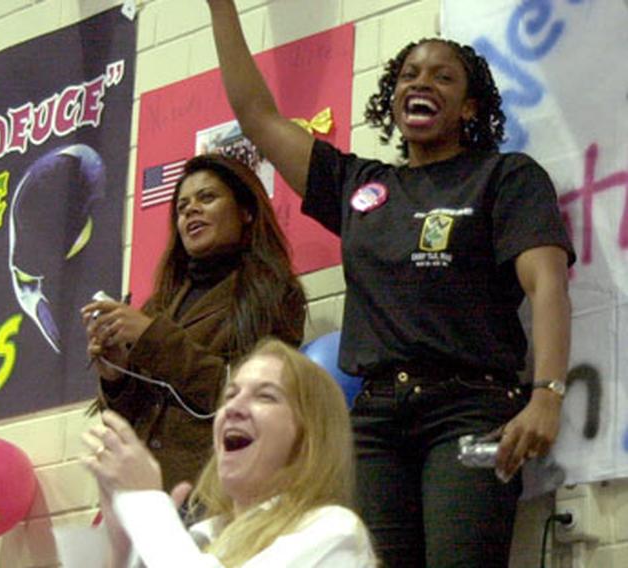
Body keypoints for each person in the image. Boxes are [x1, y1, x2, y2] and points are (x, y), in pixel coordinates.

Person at [205, 2, 575, 566]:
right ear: (392, 96)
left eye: (442, 76)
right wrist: (220, 7)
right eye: (409, 75)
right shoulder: (359, 185)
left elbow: (547, 281)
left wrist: (548, 393)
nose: (421, 83)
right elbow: (257, 118)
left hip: (470, 410)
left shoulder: (505, 176)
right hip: (374, 424)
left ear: (470, 105)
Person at [81, 154, 306, 491]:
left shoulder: (275, 293)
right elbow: (131, 417)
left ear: (246, 212)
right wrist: (116, 376)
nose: (190, 211)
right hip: (145, 492)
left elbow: (249, 398)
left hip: (216, 490)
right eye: (182, 206)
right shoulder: (160, 304)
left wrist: (151, 337)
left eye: (207, 198)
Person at [82, 338, 376, 567]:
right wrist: (121, 549)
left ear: (309, 436)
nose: (232, 408)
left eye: (265, 396)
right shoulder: (201, 538)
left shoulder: (334, 533)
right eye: (230, 395)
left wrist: (148, 509)